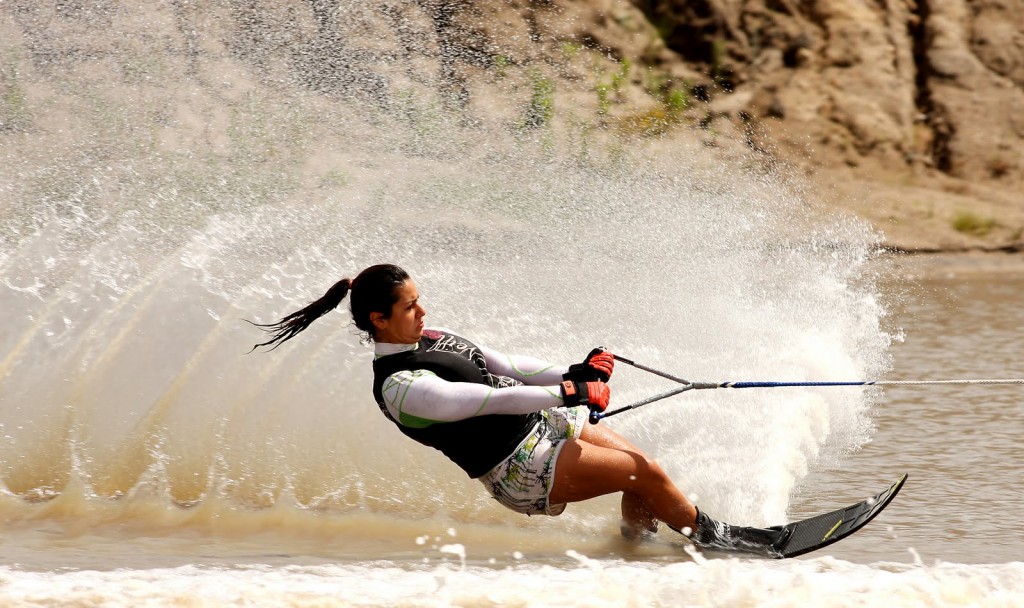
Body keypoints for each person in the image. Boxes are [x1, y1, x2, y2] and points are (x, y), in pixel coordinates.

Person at [251, 263, 787, 555]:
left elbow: (505, 367)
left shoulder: (431, 336)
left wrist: (575, 372)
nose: (423, 311)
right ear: (378, 319)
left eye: (419, 300)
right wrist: (571, 393)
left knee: (642, 477)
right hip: (520, 468)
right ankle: (722, 541)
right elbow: (489, 399)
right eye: (410, 306)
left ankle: (637, 553)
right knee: (645, 472)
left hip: (541, 423)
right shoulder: (399, 387)